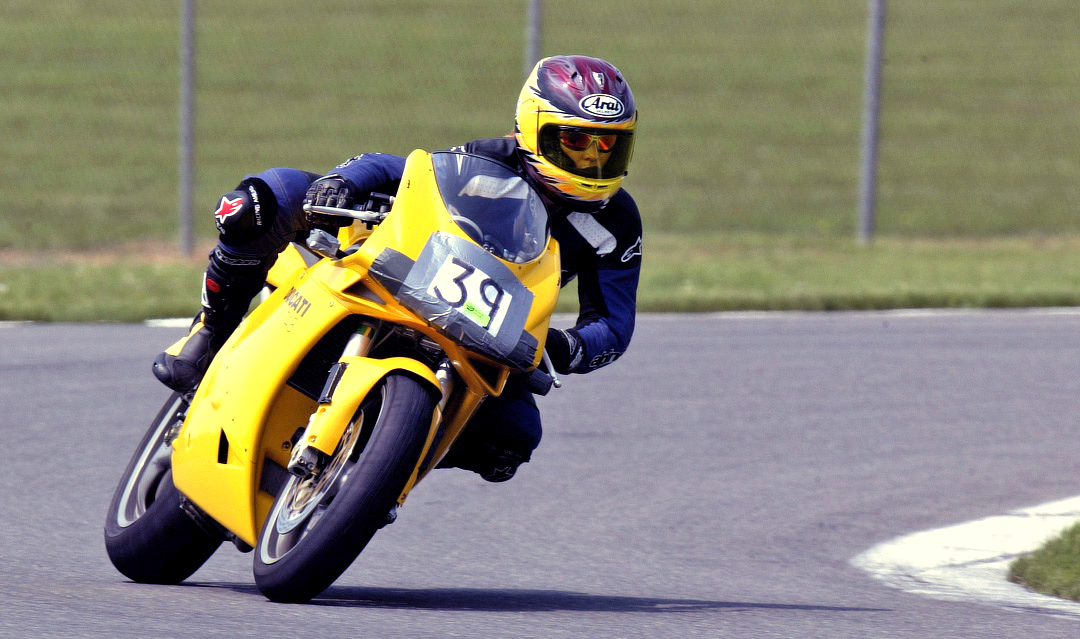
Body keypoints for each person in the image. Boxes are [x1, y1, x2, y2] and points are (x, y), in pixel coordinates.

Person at [153, 55, 642, 482]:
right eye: (576, 140)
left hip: (491, 334)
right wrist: (343, 182)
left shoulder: (617, 223)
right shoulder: (490, 161)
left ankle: (373, 473)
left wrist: (561, 346)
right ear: (533, 129)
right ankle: (211, 332)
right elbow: (403, 170)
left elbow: (613, 327)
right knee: (259, 202)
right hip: (409, 278)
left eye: (608, 147)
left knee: (512, 438)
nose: (592, 160)